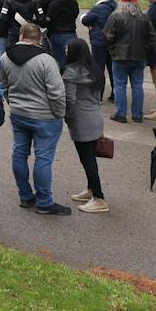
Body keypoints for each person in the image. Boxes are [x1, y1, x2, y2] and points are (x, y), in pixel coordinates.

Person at [0, 23, 70, 215]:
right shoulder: (46, 61)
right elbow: (57, 92)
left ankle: (25, 195)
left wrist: (12, 102)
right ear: (39, 39)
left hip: (19, 114)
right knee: (43, 158)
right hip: (45, 116)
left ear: (21, 36)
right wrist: (59, 113)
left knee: (19, 153)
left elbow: (3, 84)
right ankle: (45, 201)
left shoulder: (5, 57)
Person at [61, 38, 109, 213]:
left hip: (81, 120)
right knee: (90, 158)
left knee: (87, 160)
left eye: (67, 49)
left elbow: (70, 100)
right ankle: (91, 190)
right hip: (95, 118)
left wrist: (66, 117)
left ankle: (99, 198)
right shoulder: (95, 70)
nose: (65, 51)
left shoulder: (70, 73)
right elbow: (97, 98)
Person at [103, 0, 150, 123]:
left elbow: (107, 36)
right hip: (139, 56)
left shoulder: (116, 16)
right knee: (137, 85)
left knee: (120, 85)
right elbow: (151, 37)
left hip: (120, 56)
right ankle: (137, 114)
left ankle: (121, 113)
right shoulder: (144, 17)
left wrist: (113, 48)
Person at [36, 0, 80, 67]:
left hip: (58, 34)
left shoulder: (55, 4)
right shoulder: (72, 1)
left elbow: (47, 21)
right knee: (72, 60)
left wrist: (40, 15)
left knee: (59, 60)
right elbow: (76, 13)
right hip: (71, 33)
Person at [81, 0, 116, 95]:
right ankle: (115, 94)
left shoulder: (98, 8)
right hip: (113, 42)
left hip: (99, 42)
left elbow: (86, 20)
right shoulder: (115, 6)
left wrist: (85, 17)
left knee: (98, 69)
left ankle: (98, 94)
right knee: (112, 69)